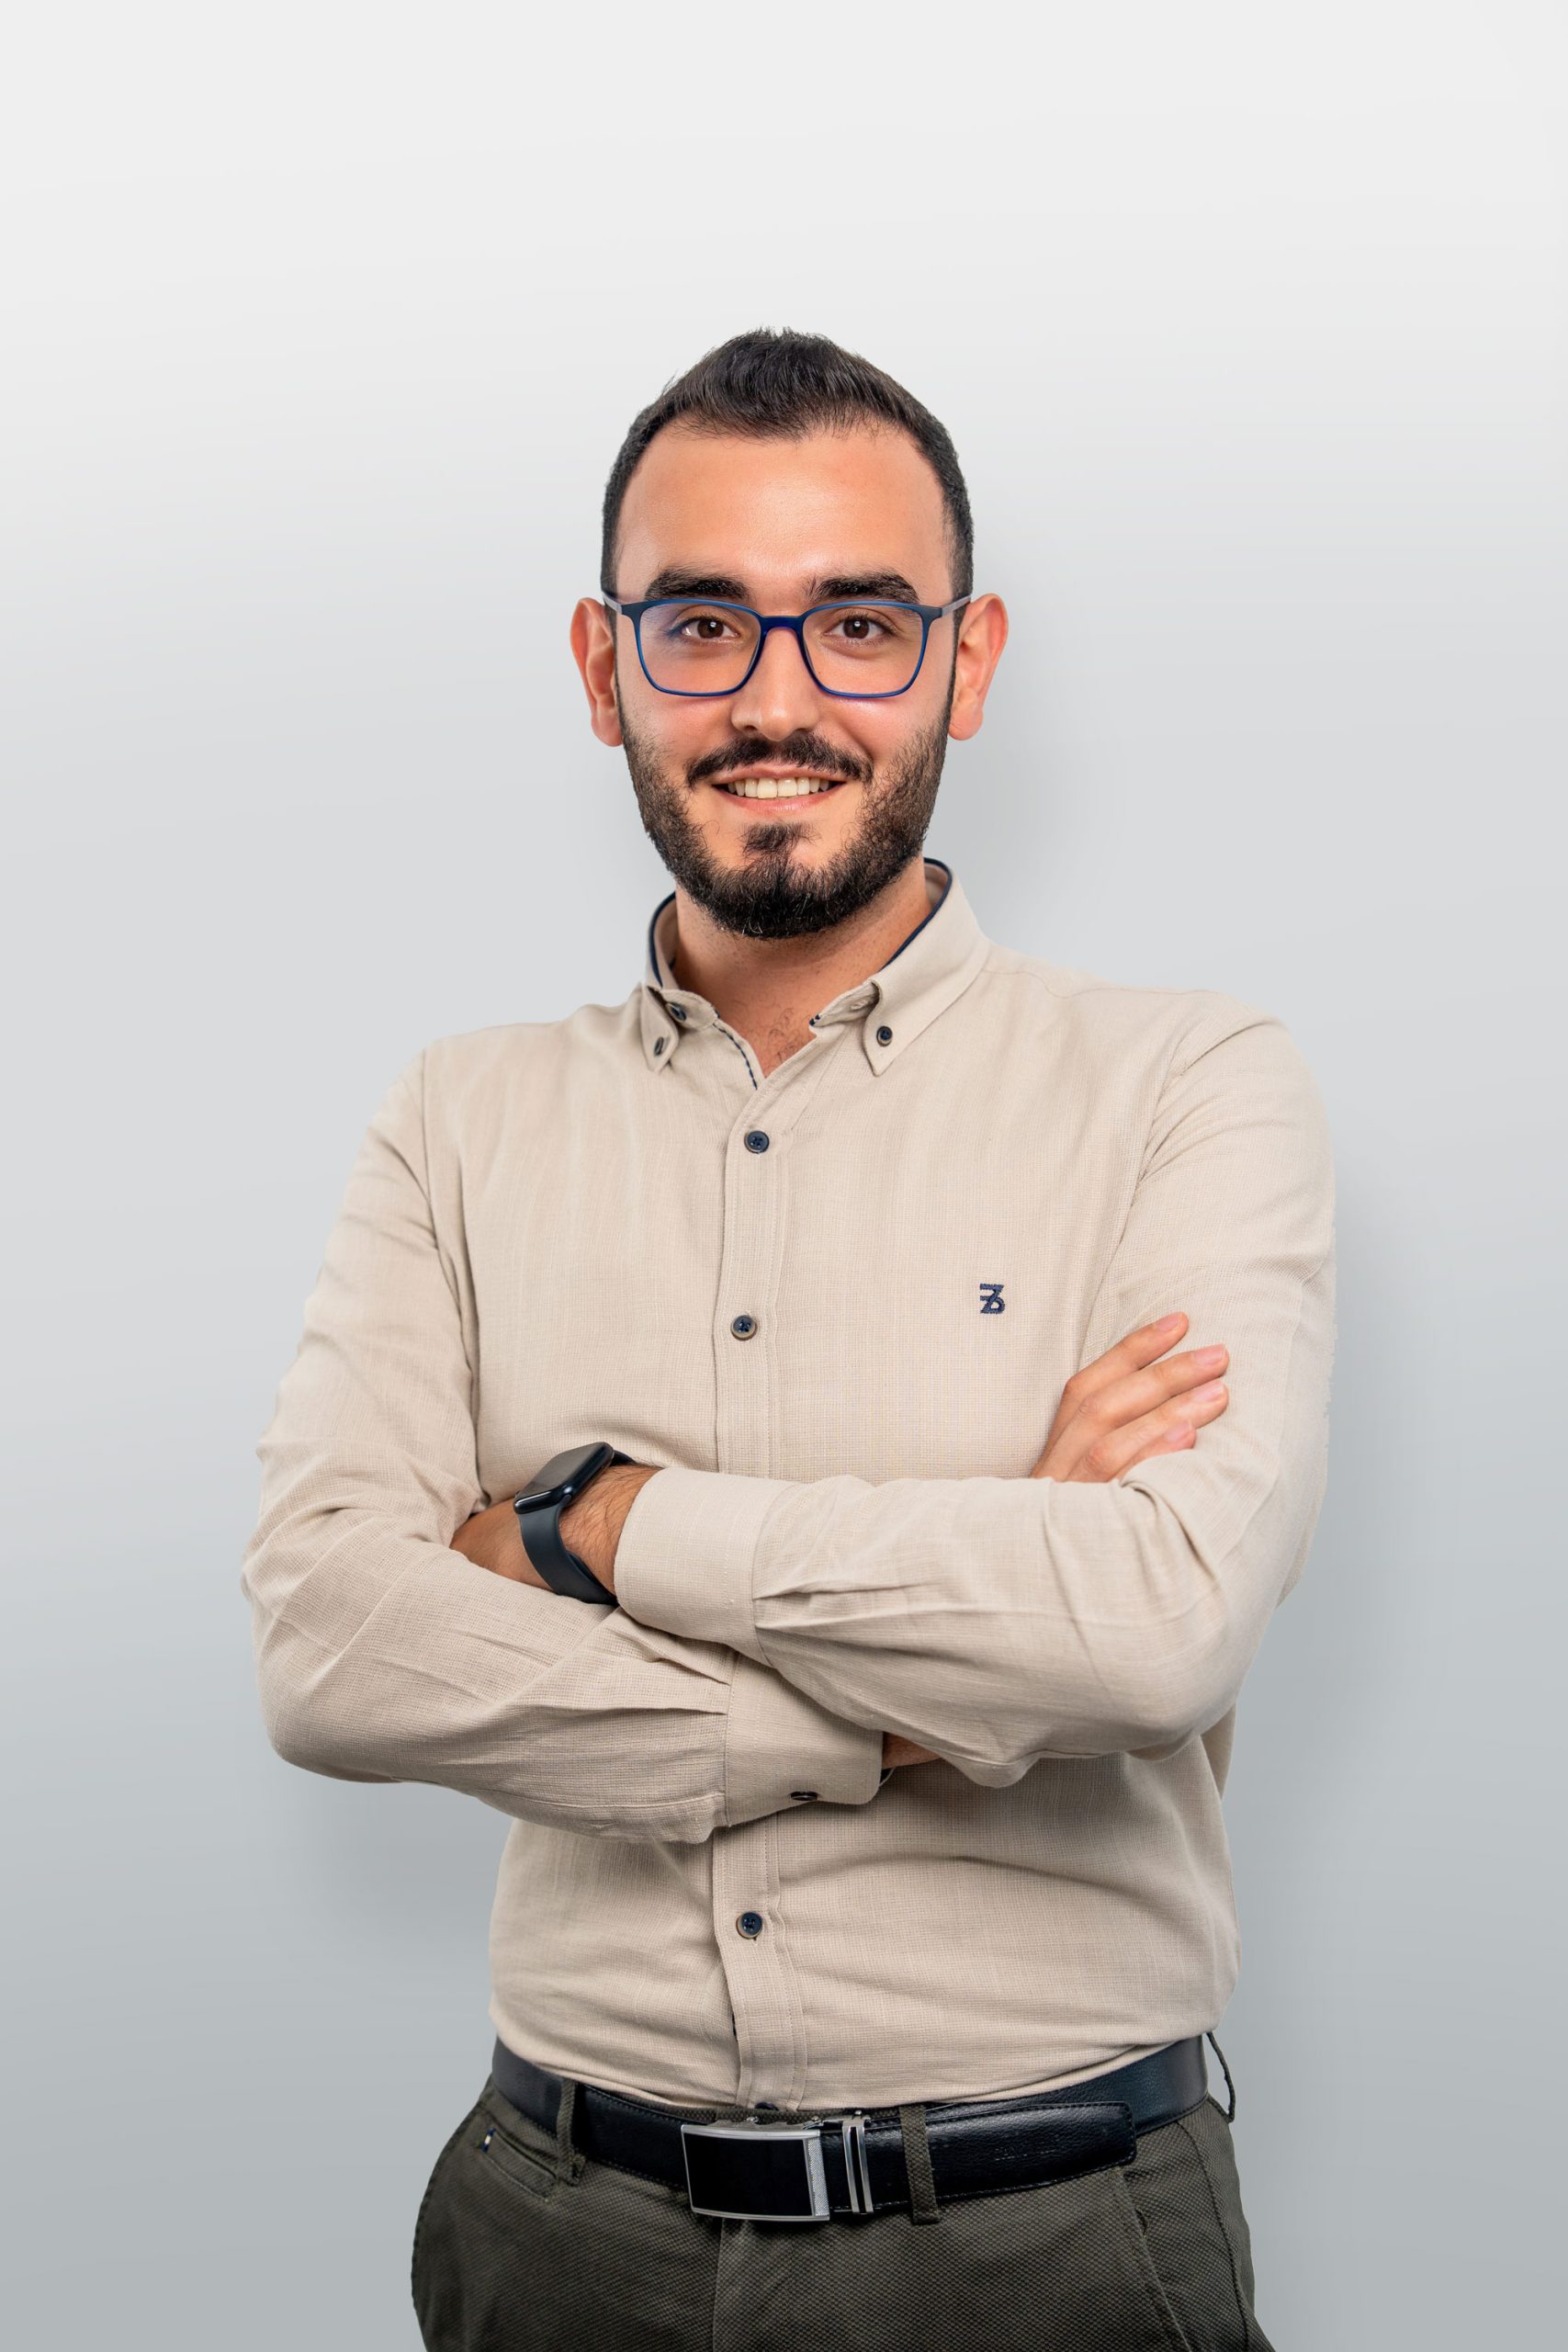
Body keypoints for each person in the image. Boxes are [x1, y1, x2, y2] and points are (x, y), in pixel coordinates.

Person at [241, 327, 1335, 2351]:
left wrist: (595, 1522)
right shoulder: (455, 1117)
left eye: (858, 623)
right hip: (553, 2233)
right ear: (603, 670)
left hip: (1051, 2242)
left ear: (966, 661)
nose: (775, 699)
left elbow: (1150, 1625)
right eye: (700, 625)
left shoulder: (1190, 1084)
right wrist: (915, 1697)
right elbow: (326, 1643)